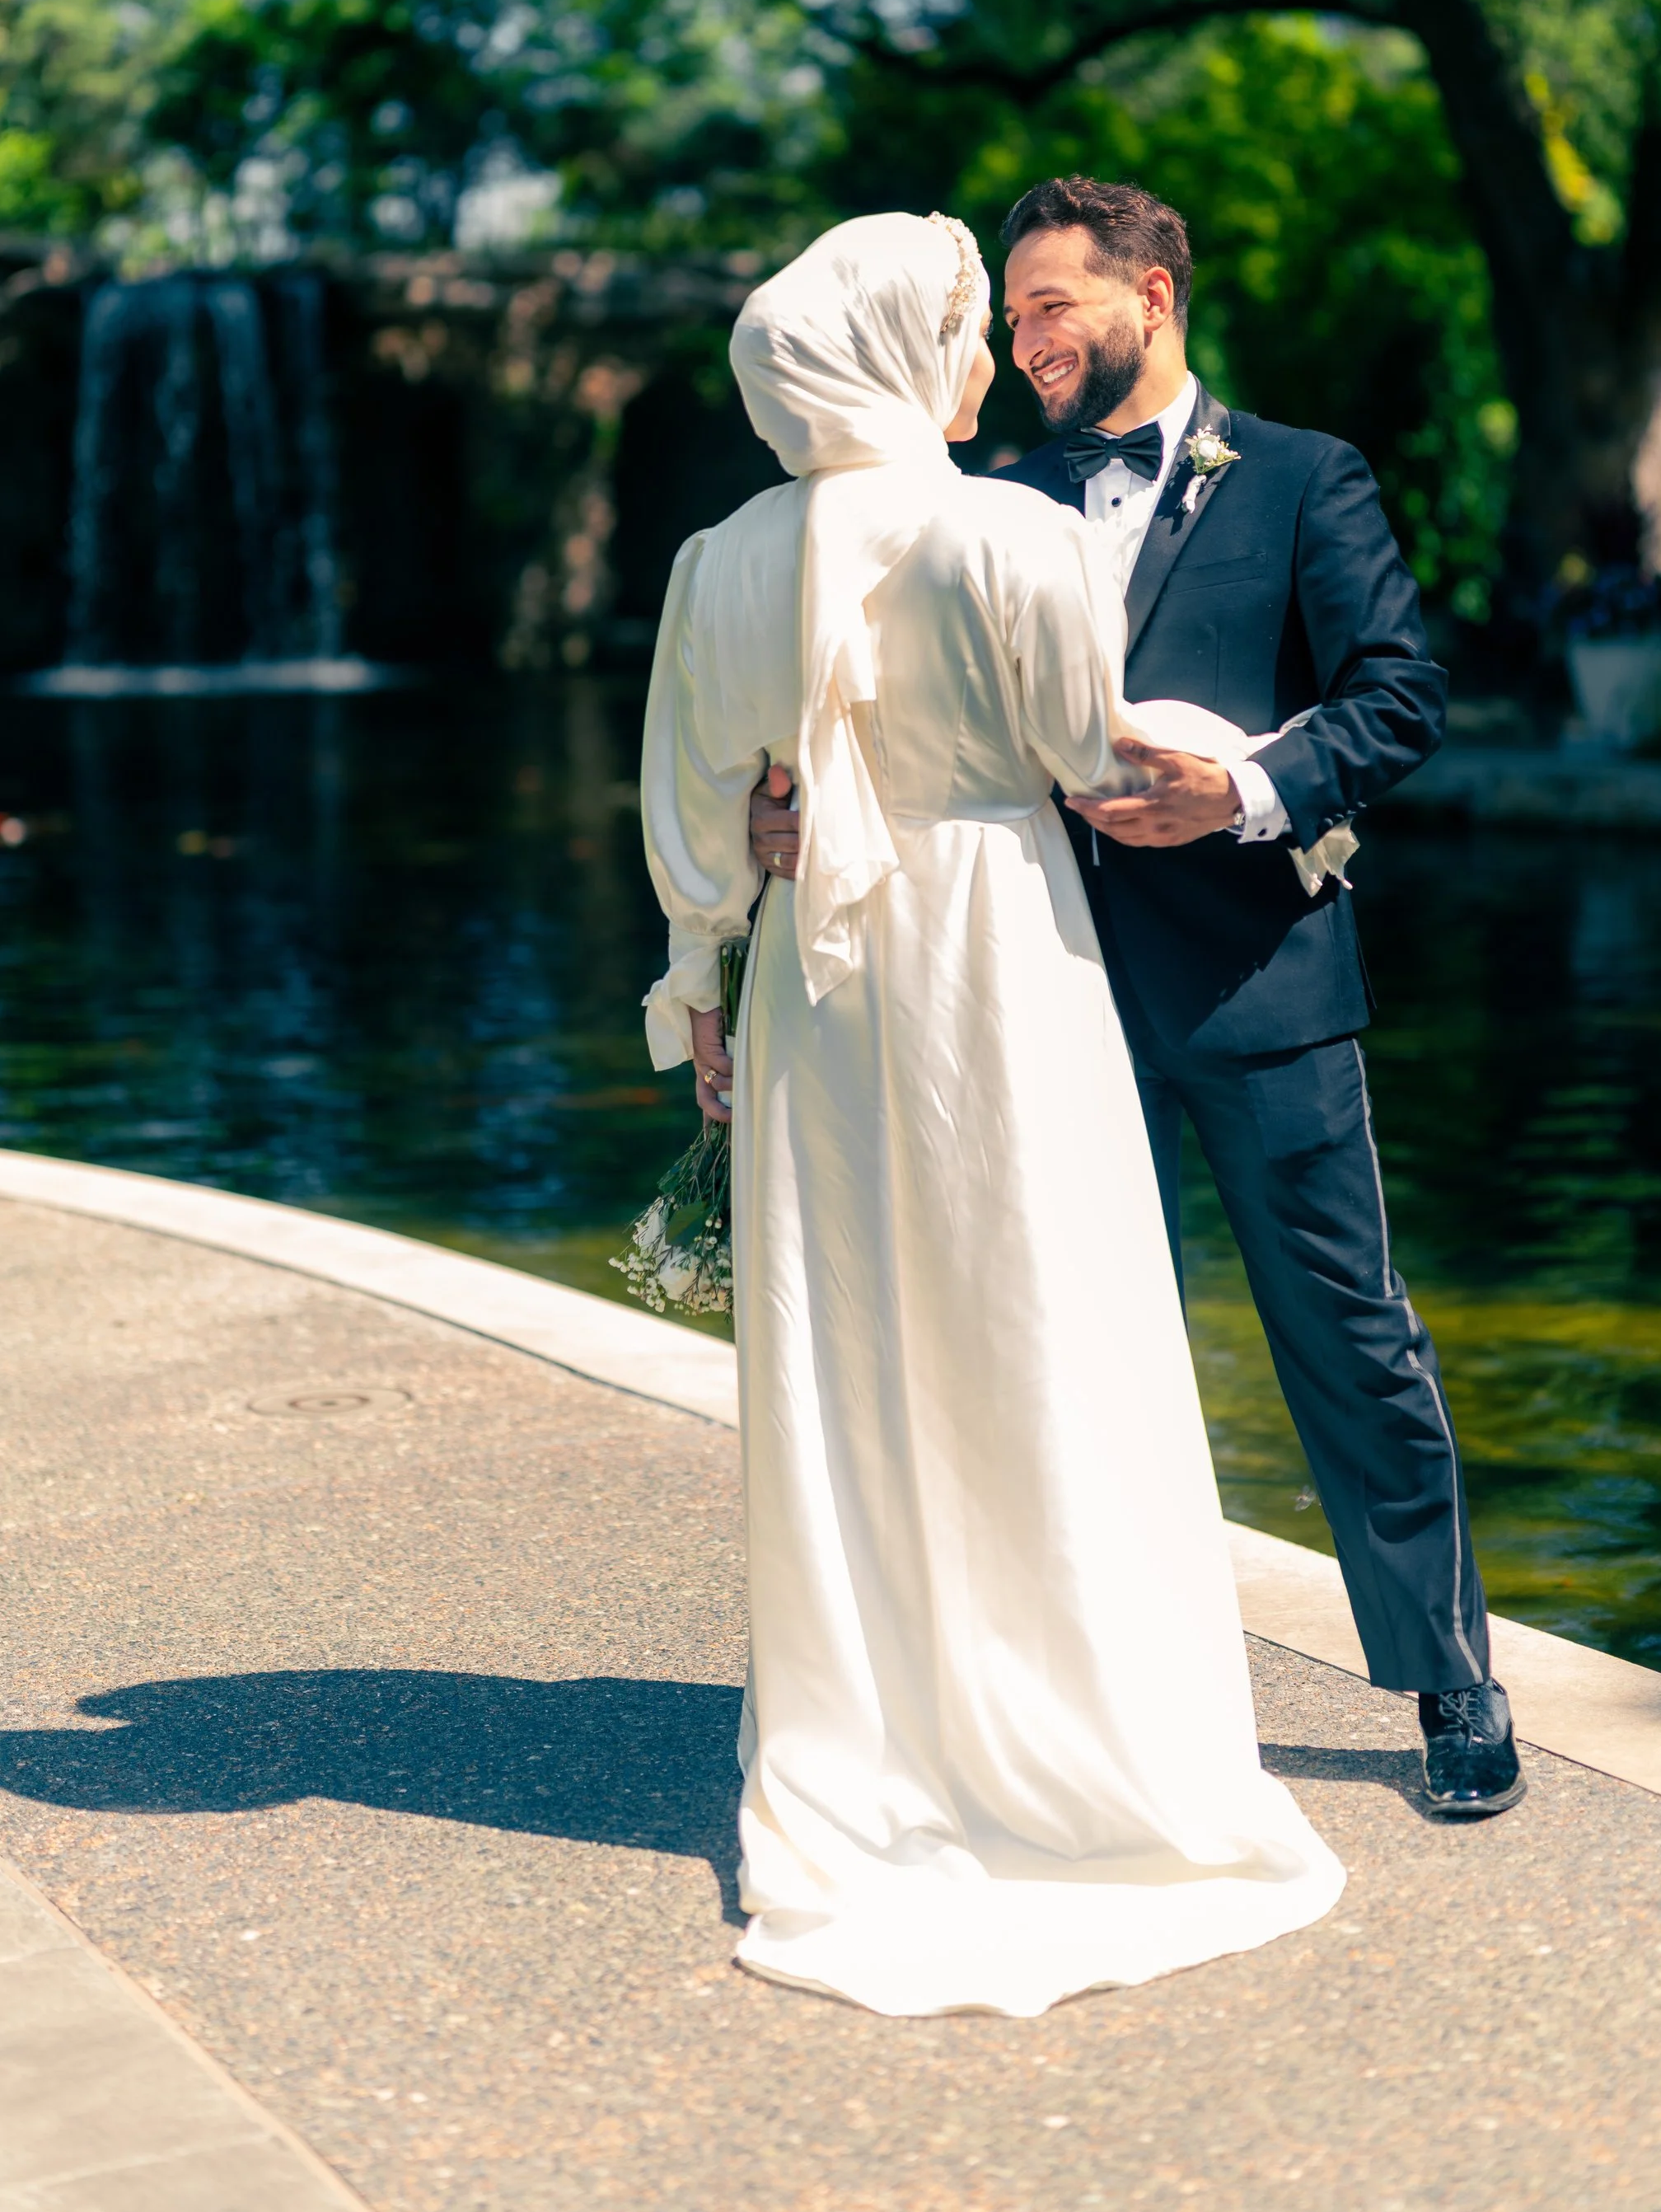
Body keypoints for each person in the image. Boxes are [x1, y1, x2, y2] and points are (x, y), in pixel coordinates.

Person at [639, 210, 1345, 2020]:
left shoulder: (720, 560)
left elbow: (691, 828)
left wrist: (704, 984)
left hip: (817, 983)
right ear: (897, 347)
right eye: (965, 328)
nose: (980, 361)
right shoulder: (1006, 532)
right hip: (999, 966)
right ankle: (1084, 1736)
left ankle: (879, 1730)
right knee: (1042, 1326)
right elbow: (1090, 757)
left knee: (847, 1354)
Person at [758, 174, 1519, 1821]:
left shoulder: (1306, 480)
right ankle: (1081, 1709)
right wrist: (788, 811)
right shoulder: (963, 499)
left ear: (1149, 301)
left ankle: (1448, 1678)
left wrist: (1240, 795)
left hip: (1260, 983)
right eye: (1007, 313)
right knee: (1052, 1348)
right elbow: (878, 716)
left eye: (1048, 308)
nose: (1017, 340)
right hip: (1024, 998)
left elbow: (1399, 696)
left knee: (1345, 1335)